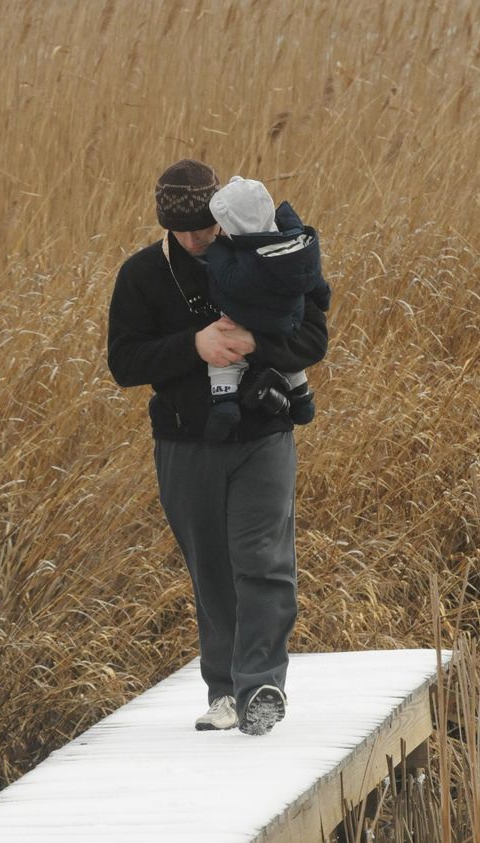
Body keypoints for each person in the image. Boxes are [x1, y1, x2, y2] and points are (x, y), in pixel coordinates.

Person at [107, 158, 329, 735]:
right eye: (179, 230)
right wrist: (194, 345)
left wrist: (257, 338)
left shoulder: (266, 257)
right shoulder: (142, 275)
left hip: (263, 434)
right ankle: (225, 692)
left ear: (220, 214)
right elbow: (124, 363)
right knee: (212, 569)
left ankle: (260, 689)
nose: (193, 239)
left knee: (263, 561)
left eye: (202, 225)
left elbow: (312, 337)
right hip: (185, 442)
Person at [203, 174, 331, 443]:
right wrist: (323, 296)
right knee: (285, 356)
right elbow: (315, 279)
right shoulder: (295, 250)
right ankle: (301, 398)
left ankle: (224, 401)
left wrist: (216, 249)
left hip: (252, 320)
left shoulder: (246, 267)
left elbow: (226, 275)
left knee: (226, 350)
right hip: (289, 320)